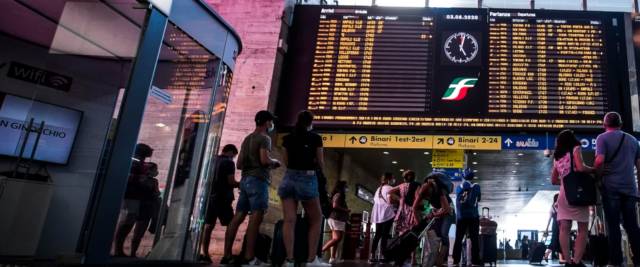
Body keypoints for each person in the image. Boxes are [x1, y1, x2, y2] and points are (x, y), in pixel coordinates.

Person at [221, 110, 281, 266]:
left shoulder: (247, 139)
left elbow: (239, 164)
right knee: (256, 218)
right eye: (271, 121)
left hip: (245, 181)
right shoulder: (264, 138)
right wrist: (274, 162)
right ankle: (249, 258)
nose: (271, 124)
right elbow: (264, 160)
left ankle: (227, 256)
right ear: (267, 122)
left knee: (238, 217)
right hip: (258, 181)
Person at [277, 110, 328, 267]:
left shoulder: (287, 138)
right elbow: (320, 161)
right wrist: (324, 179)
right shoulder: (315, 138)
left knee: (289, 220)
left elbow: (286, 161)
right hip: (307, 178)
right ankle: (311, 259)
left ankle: (289, 260)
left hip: (289, 178)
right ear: (310, 123)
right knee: (317, 218)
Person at [593, 112, 640, 266]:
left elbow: (599, 161)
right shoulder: (633, 140)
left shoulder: (602, 138)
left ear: (604, 124)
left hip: (611, 188)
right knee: (632, 226)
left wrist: (597, 175)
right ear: (621, 123)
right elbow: (639, 167)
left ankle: (616, 262)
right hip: (630, 189)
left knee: (613, 227)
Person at [551, 129, 593, 267]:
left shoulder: (557, 157)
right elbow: (580, 167)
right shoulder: (575, 149)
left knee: (564, 228)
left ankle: (567, 262)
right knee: (582, 227)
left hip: (564, 194)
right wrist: (594, 169)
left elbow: (553, 180)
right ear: (572, 139)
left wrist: (564, 182)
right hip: (578, 192)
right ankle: (576, 261)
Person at [199, 144, 239, 263]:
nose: (233, 158)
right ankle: (227, 256)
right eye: (234, 155)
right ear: (231, 152)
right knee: (232, 224)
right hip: (222, 197)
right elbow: (231, 181)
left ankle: (204, 254)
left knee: (208, 226)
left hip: (209, 197)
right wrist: (241, 184)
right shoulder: (228, 163)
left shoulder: (212, 160)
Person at [114, 143, 153, 257]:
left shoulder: (139, 162)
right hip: (131, 195)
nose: (150, 152)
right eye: (148, 150)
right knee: (126, 222)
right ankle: (118, 249)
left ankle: (119, 249)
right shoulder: (134, 161)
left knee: (129, 222)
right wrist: (142, 179)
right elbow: (127, 176)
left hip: (135, 196)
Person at [412, 172, 455, 266]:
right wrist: (419, 225)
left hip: (448, 210)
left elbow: (446, 209)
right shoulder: (422, 192)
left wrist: (434, 215)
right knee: (435, 234)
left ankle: (441, 258)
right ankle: (433, 259)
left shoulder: (439, 190)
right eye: (426, 197)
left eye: (429, 196)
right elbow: (414, 208)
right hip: (437, 210)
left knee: (443, 234)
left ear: (432, 190)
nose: (428, 198)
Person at [131, 162, 161, 257]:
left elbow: (156, 192)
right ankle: (132, 253)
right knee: (138, 231)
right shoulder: (144, 180)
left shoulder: (153, 181)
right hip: (144, 207)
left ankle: (133, 253)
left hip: (146, 207)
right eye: (154, 169)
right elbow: (156, 193)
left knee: (139, 232)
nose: (156, 172)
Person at [452, 171, 481, 266]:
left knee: (458, 239)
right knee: (474, 239)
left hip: (461, 217)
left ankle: (456, 261)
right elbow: (479, 199)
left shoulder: (458, 187)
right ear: (472, 177)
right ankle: (475, 261)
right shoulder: (476, 186)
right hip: (473, 216)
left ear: (463, 177)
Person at [369, 172, 397, 263]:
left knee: (377, 235)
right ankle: (383, 255)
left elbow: (375, 201)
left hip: (378, 215)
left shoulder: (378, 189)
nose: (394, 180)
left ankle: (372, 255)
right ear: (389, 179)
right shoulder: (390, 188)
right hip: (387, 214)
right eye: (393, 178)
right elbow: (390, 200)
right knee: (385, 235)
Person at [322, 180, 350, 264]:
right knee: (337, 238)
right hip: (336, 218)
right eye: (345, 186)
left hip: (337, 219)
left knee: (336, 239)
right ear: (342, 187)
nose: (346, 188)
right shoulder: (338, 194)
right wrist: (346, 210)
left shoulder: (339, 195)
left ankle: (332, 258)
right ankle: (321, 250)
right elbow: (335, 206)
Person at [543, 193, 563, 263]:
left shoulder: (553, 207)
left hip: (556, 225)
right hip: (558, 225)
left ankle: (560, 259)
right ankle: (546, 254)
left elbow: (549, 219)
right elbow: (549, 219)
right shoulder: (557, 206)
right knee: (555, 241)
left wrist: (547, 228)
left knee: (559, 241)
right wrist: (546, 228)